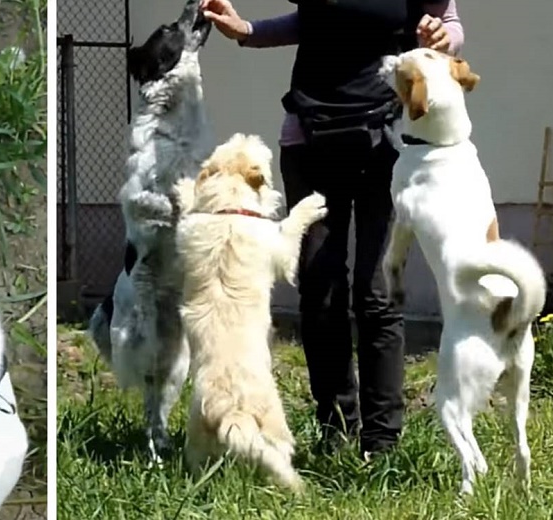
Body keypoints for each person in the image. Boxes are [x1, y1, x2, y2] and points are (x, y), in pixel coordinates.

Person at [199, 0, 465, 458]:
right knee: (321, 292)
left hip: (384, 141)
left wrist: (442, 36)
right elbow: (317, 19)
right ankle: (336, 431)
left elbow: (448, 22)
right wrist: (247, 30)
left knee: (376, 290)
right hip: (311, 138)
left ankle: (381, 445)